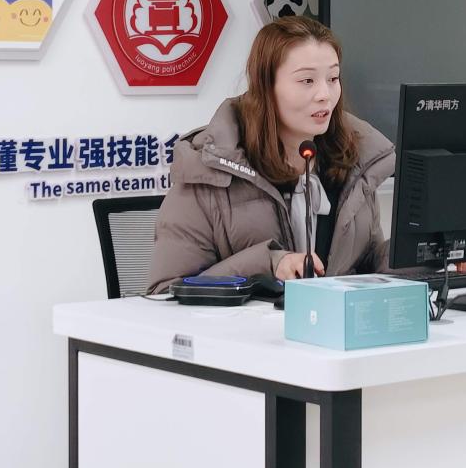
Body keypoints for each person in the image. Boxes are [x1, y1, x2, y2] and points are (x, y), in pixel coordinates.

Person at [148, 16, 394, 293]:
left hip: (329, 322)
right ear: (266, 86)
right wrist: (268, 265)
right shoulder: (208, 171)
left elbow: (368, 267)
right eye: (307, 80)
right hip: (246, 323)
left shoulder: (355, 165)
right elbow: (166, 293)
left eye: (333, 79)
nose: (325, 94)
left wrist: (417, 255)